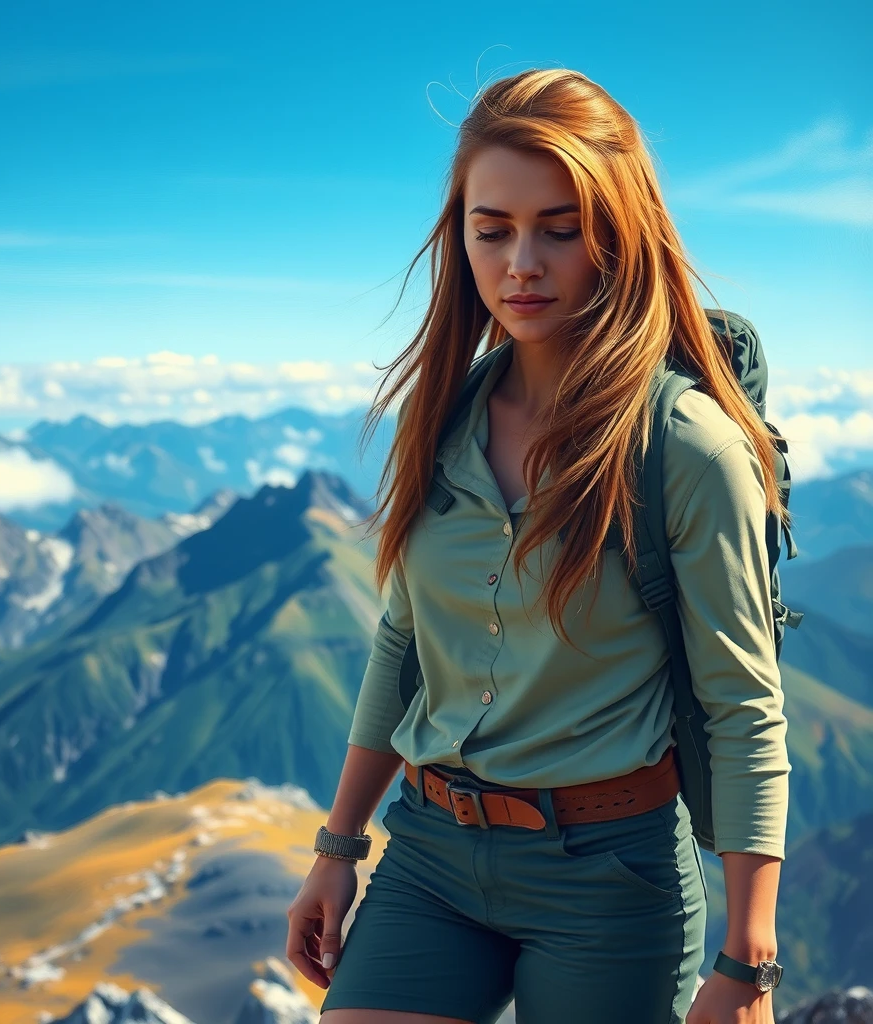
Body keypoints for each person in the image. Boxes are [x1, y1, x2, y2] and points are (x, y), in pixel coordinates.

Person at [285, 67, 790, 1024]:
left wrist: (748, 964)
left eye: (559, 229)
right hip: (431, 854)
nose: (522, 261)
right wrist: (339, 847)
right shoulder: (441, 415)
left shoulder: (687, 448)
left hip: (610, 881)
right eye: (493, 229)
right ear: (460, 235)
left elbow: (744, 707)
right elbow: (406, 639)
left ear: (618, 235)